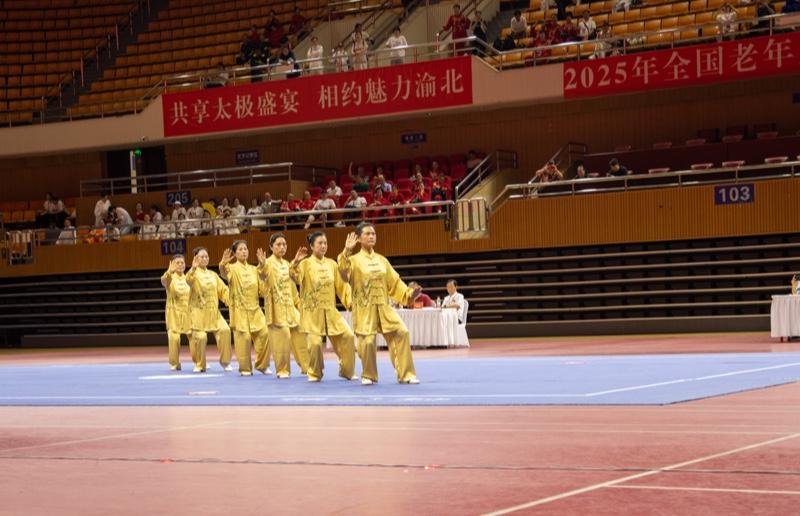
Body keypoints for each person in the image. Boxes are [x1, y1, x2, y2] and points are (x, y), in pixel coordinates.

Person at [338, 223, 421, 385]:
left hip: (384, 308)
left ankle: (406, 374)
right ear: (359, 238)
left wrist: (409, 294)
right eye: (367, 234)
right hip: (364, 309)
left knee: (401, 332)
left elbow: (395, 283)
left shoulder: (382, 260)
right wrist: (346, 251)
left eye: (373, 234)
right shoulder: (352, 260)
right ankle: (368, 375)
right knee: (368, 342)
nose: (371, 236)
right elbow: (343, 274)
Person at [290, 232, 358, 382]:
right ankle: (315, 373)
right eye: (320, 243)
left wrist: (350, 302)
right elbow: (295, 277)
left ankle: (347, 370)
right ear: (312, 246)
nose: (323, 246)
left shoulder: (332, 264)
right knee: (315, 344)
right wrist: (295, 263)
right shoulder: (305, 264)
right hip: (312, 314)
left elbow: (342, 286)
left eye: (325, 243)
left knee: (348, 336)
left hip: (331, 311)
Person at [218, 241, 271, 376]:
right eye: (240, 249)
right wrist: (222, 264)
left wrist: (263, 267)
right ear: (235, 253)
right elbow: (224, 273)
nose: (244, 251)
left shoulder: (254, 269)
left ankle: (262, 365)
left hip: (255, 310)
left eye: (245, 249)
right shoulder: (231, 268)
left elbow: (262, 290)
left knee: (264, 333)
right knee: (244, 339)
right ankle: (245, 368)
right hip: (239, 311)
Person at [263, 233, 311, 379]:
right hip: (276, 310)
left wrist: (299, 305)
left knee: (301, 331)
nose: (282, 247)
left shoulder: (287, 264)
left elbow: (293, 288)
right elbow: (262, 274)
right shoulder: (267, 263)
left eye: (284, 244)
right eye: (278, 244)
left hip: (290, 309)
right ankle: (282, 370)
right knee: (282, 338)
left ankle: (307, 367)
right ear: (271, 247)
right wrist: (261, 265)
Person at [185, 247, 233, 373]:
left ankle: (225, 362)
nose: (205, 258)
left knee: (225, 330)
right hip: (198, 313)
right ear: (196, 258)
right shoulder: (192, 274)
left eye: (206, 256)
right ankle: (200, 364)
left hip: (214, 313)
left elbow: (223, 290)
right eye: (202, 256)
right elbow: (188, 281)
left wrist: (231, 300)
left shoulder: (213, 275)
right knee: (201, 337)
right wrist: (193, 268)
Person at [161, 254, 192, 371]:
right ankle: (175, 363)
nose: (180, 265)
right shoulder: (169, 278)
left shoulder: (188, 278)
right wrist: (169, 272)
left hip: (188, 312)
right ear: (172, 264)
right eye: (177, 263)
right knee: (174, 338)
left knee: (196, 337)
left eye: (182, 262)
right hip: (173, 313)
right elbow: (164, 281)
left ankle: (199, 361)